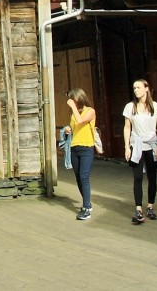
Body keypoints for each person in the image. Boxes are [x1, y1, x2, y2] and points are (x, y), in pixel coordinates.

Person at [123, 78, 157, 225]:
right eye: (134, 88)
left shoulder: (156, 107)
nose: (136, 90)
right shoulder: (130, 107)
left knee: (152, 177)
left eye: (139, 87)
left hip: (152, 144)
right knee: (138, 177)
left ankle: (151, 206)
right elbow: (127, 127)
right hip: (137, 144)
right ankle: (138, 209)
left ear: (146, 88)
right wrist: (127, 146)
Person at [63, 88, 97, 220]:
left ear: (79, 98)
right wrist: (68, 129)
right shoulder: (74, 114)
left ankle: (86, 208)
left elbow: (81, 121)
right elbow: (74, 126)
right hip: (74, 147)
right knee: (78, 178)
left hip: (87, 148)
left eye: (73, 99)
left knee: (84, 176)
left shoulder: (90, 111)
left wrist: (73, 108)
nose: (71, 102)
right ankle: (87, 201)